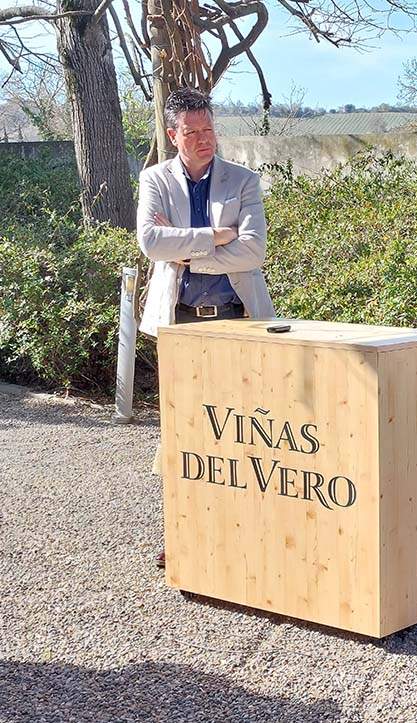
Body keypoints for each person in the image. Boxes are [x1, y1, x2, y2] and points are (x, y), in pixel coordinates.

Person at [138, 87, 275, 567]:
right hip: (179, 325)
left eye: (209, 129)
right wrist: (217, 237)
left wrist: (187, 247)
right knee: (183, 431)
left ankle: (244, 534)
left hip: (239, 322)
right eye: (192, 132)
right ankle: (183, 534)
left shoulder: (243, 181)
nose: (203, 139)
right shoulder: (154, 180)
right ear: (173, 135)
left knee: (242, 429)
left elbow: (254, 252)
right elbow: (151, 243)